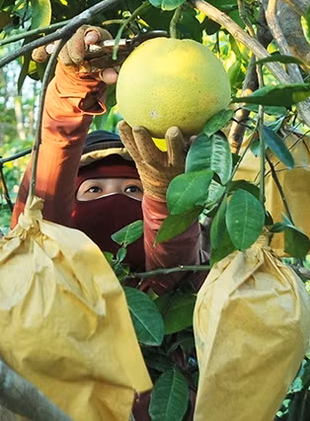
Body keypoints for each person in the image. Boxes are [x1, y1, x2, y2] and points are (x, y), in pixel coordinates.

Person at [11, 24, 204, 293]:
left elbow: (174, 265)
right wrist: (72, 91)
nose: (114, 199)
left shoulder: (183, 295)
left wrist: (165, 196)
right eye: (93, 189)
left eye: (133, 189)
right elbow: (45, 193)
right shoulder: (47, 281)